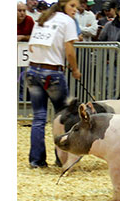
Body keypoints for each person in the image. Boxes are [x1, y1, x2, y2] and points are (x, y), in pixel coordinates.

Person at [27, 0, 82, 168]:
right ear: (63, 5)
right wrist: (75, 70)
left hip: (32, 70)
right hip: (52, 73)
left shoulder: (43, 18)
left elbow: (30, 47)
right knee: (62, 118)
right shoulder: (67, 21)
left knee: (38, 118)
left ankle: (36, 161)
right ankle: (62, 159)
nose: (75, 9)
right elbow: (69, 50)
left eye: (76, 6)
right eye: (72, 5)